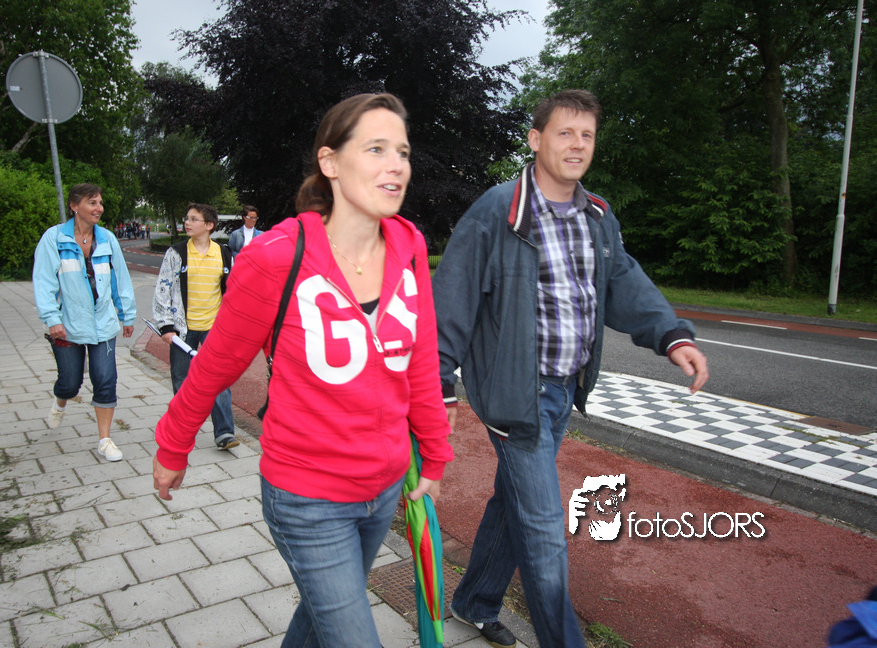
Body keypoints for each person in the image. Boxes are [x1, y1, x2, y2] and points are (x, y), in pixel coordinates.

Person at [153, 93, 453, 647]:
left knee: (319, 623)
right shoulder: (276, 255)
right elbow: (215, 366)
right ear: (330, 162)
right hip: (307, 495)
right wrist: (173, 445)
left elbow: (419, 362)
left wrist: (434, 452)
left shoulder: (409, 245)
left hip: (384, 486)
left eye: (403, 152)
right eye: (376, 149)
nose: (396, 165)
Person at [433, 89, 710, 648]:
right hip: (516, 393)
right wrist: (438, 382)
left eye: (587, 135)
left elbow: (622, 278)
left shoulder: (597, 214)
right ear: (536, 140)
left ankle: (473, 601)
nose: (577, 145)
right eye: (565, 133)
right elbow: (453, 297)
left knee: (513, 503)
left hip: (565, 389)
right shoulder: (498, 210)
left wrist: (670, 334)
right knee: (543, 532)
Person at [33, 183, 137, 462]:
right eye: (92, 202)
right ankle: (60, 401)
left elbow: (120, 279)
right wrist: (52, 319)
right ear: (74, 206)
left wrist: (126, 314)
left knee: (105, 379)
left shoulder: (107, 239)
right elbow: (43, 282)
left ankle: (104, 440)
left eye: (100, 203)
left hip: (103, 323)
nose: (99, 208)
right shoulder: (54, 239)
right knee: (70, 383)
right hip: (67, 325)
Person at [151, 202, 237, 450]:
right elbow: (163, 289)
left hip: (214, 329)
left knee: (218, 380)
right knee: (182, 380)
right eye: (186, 218)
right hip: (182, 330)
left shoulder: (223, 253)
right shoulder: (176, 253)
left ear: (209, 225)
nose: (187, 223)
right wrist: (166, 326)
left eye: (193, 219)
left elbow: (233, 290)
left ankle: (224, 433)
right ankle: (183, 430)